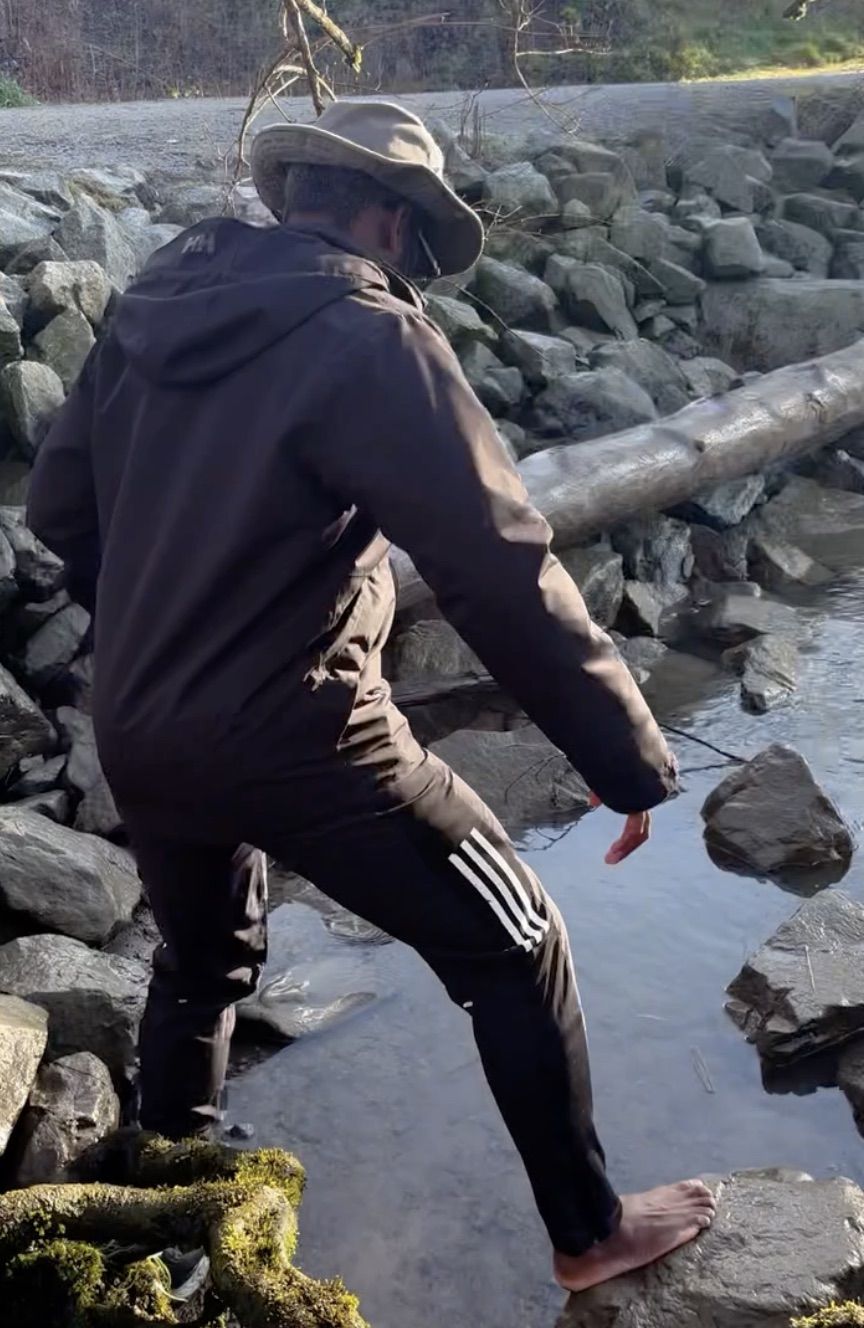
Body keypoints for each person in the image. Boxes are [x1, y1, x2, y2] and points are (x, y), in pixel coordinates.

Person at [28, 99, 715, 1291]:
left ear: (296, 193)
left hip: (137, 722)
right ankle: (590, 1231)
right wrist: (626, 759)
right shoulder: (370, 336)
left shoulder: (154, 300)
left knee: (201, 963)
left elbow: (57, 508)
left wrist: (156, 627)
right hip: (303, 734)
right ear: (393, 221)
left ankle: (165, 1226)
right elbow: (497, 561)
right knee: (518, 941)